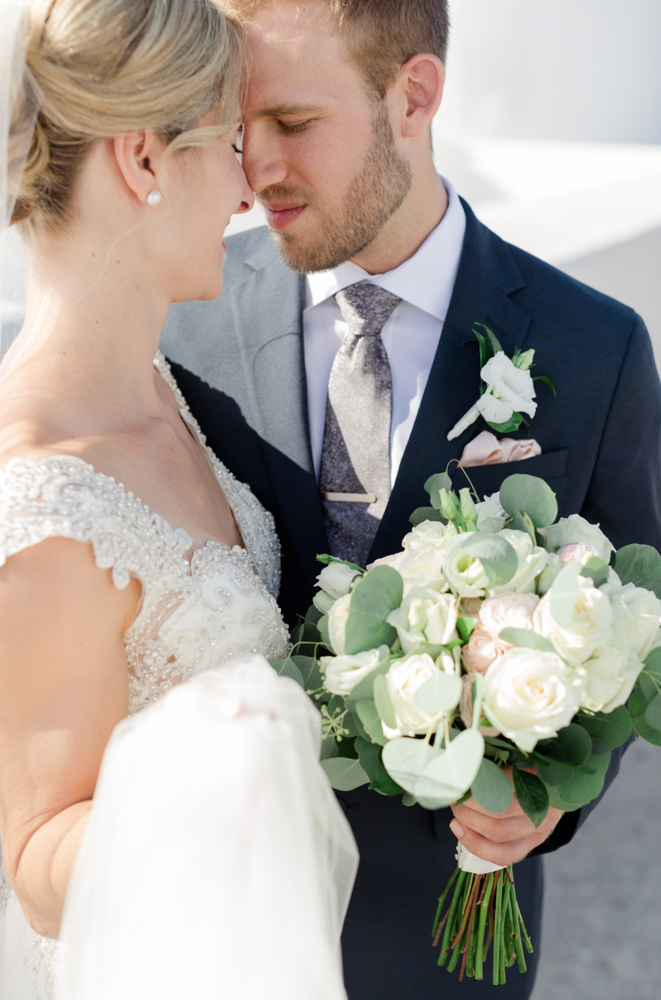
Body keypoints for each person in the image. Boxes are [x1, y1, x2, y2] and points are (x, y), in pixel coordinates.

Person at [159, 0, 661, 997]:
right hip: (221, 929)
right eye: (237, 129)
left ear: (415, 95)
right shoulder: (185, 321)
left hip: (446, 941)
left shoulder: (590, 347)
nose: (255, 167)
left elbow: (637, 632)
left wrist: (549, 796)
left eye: (292, 123)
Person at [0, 1, 357, 998]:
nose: (250, 187)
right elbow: (36, 870)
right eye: (230, 145)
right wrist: (220, 764)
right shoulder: (39, 494)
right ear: (143, 161)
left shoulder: (170, 390)